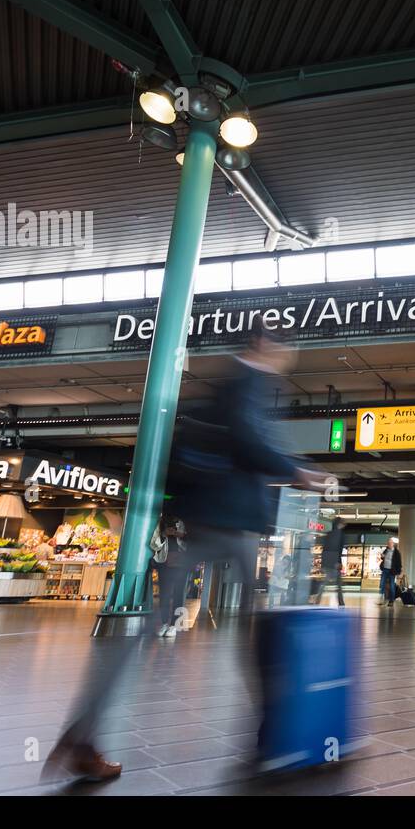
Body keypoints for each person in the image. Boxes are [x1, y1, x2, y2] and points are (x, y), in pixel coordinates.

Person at [48, 326, 313, 781]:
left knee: (151, 626)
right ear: (267, 345)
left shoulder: (221, 384)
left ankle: (83, 731)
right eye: (285, 349)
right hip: (233, 523)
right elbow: (249, 442)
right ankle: (276, 737)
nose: (287, 358)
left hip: (201, 520)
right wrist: (296, 471)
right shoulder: (250, 382)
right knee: (257, 632)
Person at [150, 515, 190, 638]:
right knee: (164, 595)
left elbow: (195, 542)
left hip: (182, 564)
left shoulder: (187, 521)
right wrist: (164, 535)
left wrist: (181, 535)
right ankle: (164, 624)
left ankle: (174, 626)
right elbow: (154, 545)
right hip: (165, 563)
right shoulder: (162, 522)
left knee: (179, 595)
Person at [321, 520, 346, 606]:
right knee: (338, 584)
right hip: (335, 562)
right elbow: (339, 549)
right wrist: (338, 562)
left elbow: (324, 549)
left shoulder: (329, 534)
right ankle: (341, 602)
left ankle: (317, 599)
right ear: (340, 524)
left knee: (325, 582)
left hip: (328, 562)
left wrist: (323, 563)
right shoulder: (340, 534)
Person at [377, 537, 402, 607]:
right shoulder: (386, 550)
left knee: (391, 586)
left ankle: (391, 600)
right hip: (385, 569)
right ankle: (383, 599)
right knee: (382, 584)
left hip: (392, 571)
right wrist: (382, 556)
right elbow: (383, 557)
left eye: (390, 543)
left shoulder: (396, 552)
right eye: (388, 543)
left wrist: (399, 571)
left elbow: (399, 563)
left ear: (393, 544)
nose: (389, 544)